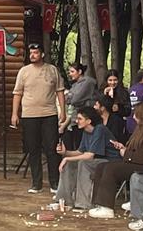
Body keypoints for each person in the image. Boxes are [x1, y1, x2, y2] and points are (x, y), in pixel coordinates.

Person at [88, 102, 143, 218]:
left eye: (136, 114)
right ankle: (98, 203)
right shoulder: (140, 129)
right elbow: (135, 151)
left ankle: (107, 207)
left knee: (111, 169)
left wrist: (126, 154)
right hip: (134, 162)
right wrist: (123, 148)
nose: (133, 117)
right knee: (102, 166)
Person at [11, 43, 66, 194]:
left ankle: (54, 183)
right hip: (29, 115)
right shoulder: (24, 71)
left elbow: (60, 91)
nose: (33, 55)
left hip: (49, 113)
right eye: (31, 53)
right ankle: (36, 183)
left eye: (36, 52)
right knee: (33, 149)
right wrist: (14, 113)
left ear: (42, 54)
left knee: (51, 149)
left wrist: (63, 111)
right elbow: (17, 93)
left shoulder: (52, 70)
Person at [52, 106, 118, 210]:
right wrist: (65, 153)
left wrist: (66, 158)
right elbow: (80, 152)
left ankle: (83, 203)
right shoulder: (86, 131)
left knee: (83, 163)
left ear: (89, 121)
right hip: (96, 161)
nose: (76, 121)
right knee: (70, 163)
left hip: (110, 161)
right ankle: (63, 200)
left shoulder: (99, 129)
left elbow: (89, 155)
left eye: (80, 119)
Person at [64, 62, 98, 147]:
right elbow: (67, 100)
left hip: (86, 116)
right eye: (69, 72)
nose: (70, 74)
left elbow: (75, 100)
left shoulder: (88, 82)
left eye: (72, 71)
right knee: (77, 141)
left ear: (79, 71)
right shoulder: (74, 85)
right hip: (76, 117)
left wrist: (71, 96)